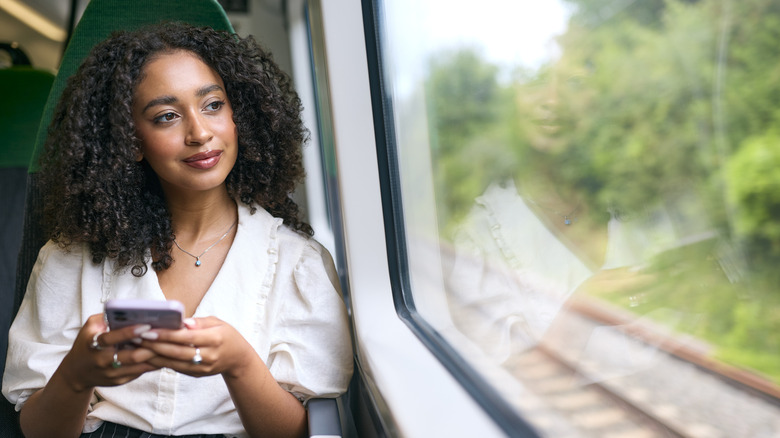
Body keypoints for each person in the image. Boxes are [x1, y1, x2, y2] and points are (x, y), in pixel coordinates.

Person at [2, 22, 353, 438]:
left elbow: (302, 433)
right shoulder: (70, 258)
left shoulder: (299, 263)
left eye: (213, 105)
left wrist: (239, 364)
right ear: (131, 141)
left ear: (239, 115)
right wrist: (77, 375)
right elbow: (37, 431)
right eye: (167, 116)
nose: (200, 133)